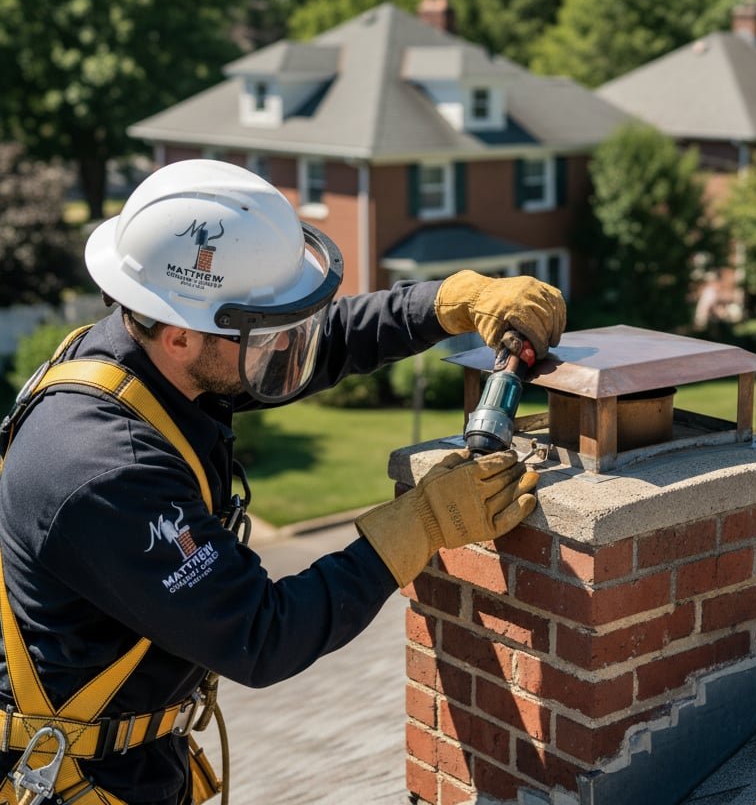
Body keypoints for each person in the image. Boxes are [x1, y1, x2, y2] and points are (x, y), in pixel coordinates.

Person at [0, 159, 565, 805]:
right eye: (270, 333)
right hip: (81, 780)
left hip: (133, 756)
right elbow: (262, 635)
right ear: (184, 334)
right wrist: (421, 525)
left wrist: (448, 303)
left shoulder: (151, 359)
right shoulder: (103, 470)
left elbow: (320, 346)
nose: (290, 345)